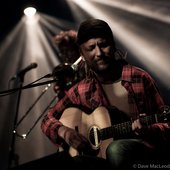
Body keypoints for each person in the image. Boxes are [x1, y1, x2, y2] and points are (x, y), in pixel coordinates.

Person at [41, 18, 170, 169]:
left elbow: (166, 123)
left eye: (103, 45)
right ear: (82, 54)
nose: (99, 53)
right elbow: (47, 119)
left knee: (116, 149)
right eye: (91, 48)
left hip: (144, 157)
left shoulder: (138, 78)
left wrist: (150, 130)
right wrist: (65, 132)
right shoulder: (80, 90)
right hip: (100, 161)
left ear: (113, 46)